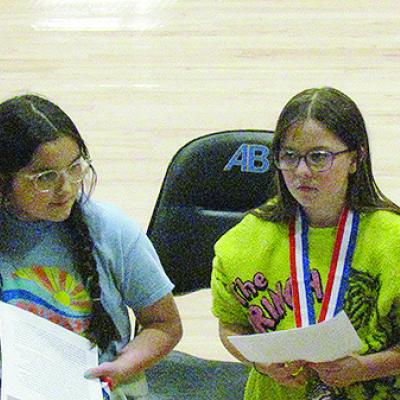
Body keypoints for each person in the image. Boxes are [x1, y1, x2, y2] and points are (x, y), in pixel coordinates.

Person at [211, 87, 400, 399]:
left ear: (356, 158)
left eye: (318, 157)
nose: (301, 171)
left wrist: (367, 367)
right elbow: (231, 327)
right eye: (289, 156)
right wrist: (260, 362)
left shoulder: (392, 239)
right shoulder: (242, 242)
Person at [0, 94, 183, 399]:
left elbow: (164, 325)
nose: (66, 187)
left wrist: (121, 368)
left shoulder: (111, 229)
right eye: (45, 177)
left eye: (74, 168)